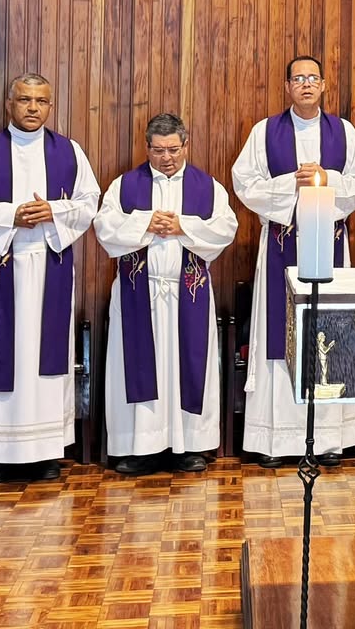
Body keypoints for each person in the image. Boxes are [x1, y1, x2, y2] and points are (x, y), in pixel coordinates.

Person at [0, 73, 100, 482]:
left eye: (42, 101)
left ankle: (47, 452)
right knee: (2, 356)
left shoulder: (69, 151)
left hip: (49, 263)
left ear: (51, 106)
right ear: (8, 103)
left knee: (45, 359)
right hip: (3, 261)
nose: (33, 108)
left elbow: (89, 202)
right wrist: (8, 216)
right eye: (25, 100)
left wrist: (53, 212)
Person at [232, 56, 355, 469]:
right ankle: (276, 440)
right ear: (287, 86)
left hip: (329, 244)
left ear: (325, 85)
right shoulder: (264, 132)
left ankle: (329, 439)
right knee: (280, 336)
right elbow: (245, 183)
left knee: (329, 335)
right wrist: (288, 182)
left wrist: (328, 179)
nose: (307, 85)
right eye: (299, 79)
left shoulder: (343, 132)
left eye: (313, 78)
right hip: (281, 244)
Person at [94, 113, 238, 475]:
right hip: (138, 294)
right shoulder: (125, 185)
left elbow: (226, 228)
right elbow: (103, 226)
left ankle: (189, 447)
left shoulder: (207, 186)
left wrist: (182, 226)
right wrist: (145, 222)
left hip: (186, 293)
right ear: (147, 148)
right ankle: (138, 448)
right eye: (158, 150)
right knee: (136, 368)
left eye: (173, 149)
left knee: (187, 367)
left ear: (186, 145)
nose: (166, 158)